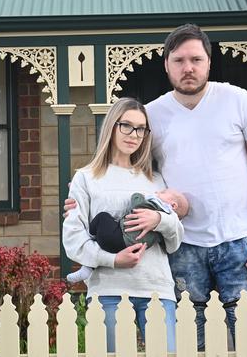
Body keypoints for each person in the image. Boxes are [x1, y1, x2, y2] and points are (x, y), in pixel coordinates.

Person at [65, 24, 247, 350]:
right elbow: (131, 178)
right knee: (190, 346)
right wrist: (83, 201)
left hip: (241, 244)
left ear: (209, 62)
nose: (188, 68)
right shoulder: (151, 116)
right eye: (179, 60)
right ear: (166, 65)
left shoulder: (239, 101)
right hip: (182, 248)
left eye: (196, 59)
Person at [62, 97, 184, 353]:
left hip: (156, 289)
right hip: (109, 290)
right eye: (126, 126)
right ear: (111, 126)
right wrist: (114, 259)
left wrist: (159, 219)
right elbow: (73, 239)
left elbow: (174, 243)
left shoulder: (156, 180)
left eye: (141, 129)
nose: (134, 135)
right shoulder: (86, 178)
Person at [66, 188, 189, 283]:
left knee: (102, 217)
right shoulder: (164, 227)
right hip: (133, 249)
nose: (157, 191)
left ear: (173, 205)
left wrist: (140, 196)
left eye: (163, 192)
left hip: (118, 239)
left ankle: (89, 235)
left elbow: (137, 204)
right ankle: (87, 267)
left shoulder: (155, 205)